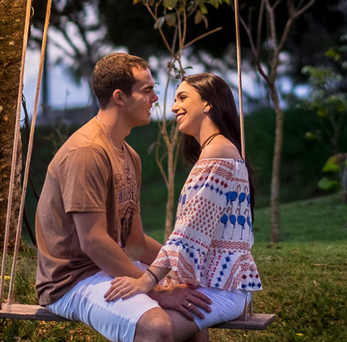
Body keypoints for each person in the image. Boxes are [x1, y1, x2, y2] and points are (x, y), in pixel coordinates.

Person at [35, 52, 214, 342]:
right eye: (147, 91)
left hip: (106, 270)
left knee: (192, 307)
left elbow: (135, 242)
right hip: (72, 281)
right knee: (157, 326)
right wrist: (153, 288)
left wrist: (185, 268)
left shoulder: (128, 155)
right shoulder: (87, 152)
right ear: (119, 97)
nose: (156, 99)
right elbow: (93, 241)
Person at [103, 72, 262, 342]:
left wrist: (147, 281)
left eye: (183, 98)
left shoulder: (217, 153)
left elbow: (189, 232)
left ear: (209, 104)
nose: (174, 106)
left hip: (223, 288)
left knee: (152, 331)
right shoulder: (217, 150)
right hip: (215, 283)